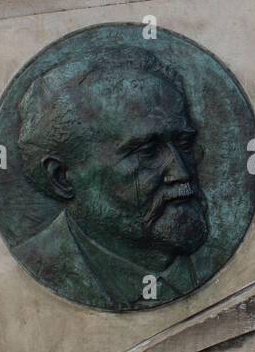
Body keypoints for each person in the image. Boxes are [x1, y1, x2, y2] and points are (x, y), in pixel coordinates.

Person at [12, 50, 213, 310]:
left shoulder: (220, 254)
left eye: (184, 143)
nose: (182, 173)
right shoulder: (40, 265)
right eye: (147, 151)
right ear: (62, 178)